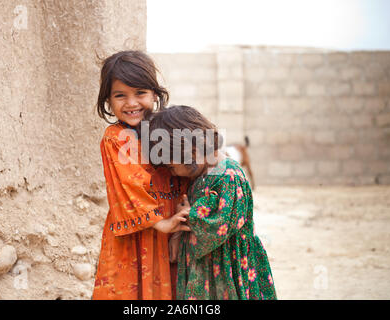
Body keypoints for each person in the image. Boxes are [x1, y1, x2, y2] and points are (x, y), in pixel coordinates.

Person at [148, 105, 277, 300]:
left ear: (190, 152)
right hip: (207, 266)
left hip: (228, 266)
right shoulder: (202, 174)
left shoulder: (228, 175)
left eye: (172, 167)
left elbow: (220, 225)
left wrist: (189, 215)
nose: (172, 173)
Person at [92, 51, 190, 300]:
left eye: (140, 93)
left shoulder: (169, 129)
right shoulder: (116, 137)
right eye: (120, 95)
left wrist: (178, 228)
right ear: (108, 100)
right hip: (136, 236)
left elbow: (188, 173)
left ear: (155, 94)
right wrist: (163, 225)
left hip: (174, 226)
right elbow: (131, 184)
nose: (131, 103)